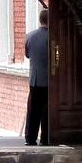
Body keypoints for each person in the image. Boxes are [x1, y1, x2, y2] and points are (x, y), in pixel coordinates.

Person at [25, 8, 50, 145]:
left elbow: (27, 54)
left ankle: (30, 137)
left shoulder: (29, 36)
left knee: (33, 110)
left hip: (34, 78)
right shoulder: (52, 37)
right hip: (49, 79)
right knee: (47, 110)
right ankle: (46, 138)